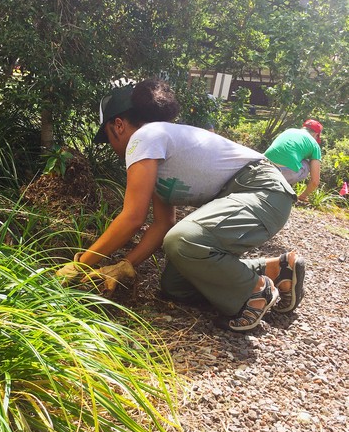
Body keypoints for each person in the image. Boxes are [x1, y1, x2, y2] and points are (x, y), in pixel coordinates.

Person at [56, 79, 305, 332]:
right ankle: (277, 270)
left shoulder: (144, 138)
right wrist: (125, 264)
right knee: (176, 285)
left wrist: (80, 264)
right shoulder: (159, 145)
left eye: (108, 137)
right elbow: (163, 223)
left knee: (182, 240)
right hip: (249, 196)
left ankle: (255, 292)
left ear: (118, 125)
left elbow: (133, 218)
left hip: (262, 192)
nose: (111, 146)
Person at [264, 119, 323, 203]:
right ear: (316, 134)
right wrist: (303, 196)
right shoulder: (314, 144)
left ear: (303, 127)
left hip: (263, 166)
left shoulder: (289, 131)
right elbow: (315, 181)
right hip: (283, 172)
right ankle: (285, 187)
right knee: (306, 162)